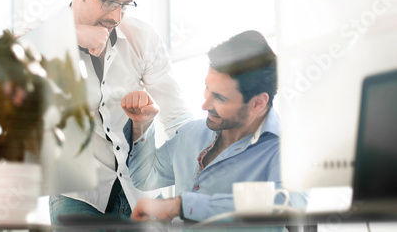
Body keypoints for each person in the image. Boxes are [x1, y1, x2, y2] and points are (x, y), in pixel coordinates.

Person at [48, 0, 192, 223]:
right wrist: (70, 33)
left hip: (140, 189)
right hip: (78, 195)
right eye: (108, 2)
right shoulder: (41, 37)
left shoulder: (141, 38)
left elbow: (177, 116)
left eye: (124, 5)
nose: (115, 16)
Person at [121, 30, 307, 225]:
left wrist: (182, 205)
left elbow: (287, 206)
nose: (205, 105)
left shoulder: (286, 150)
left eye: (220, 97)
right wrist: (141, 125)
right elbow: (146, 178)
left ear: (258, 103)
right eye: (207, 88)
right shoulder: (191, 134)